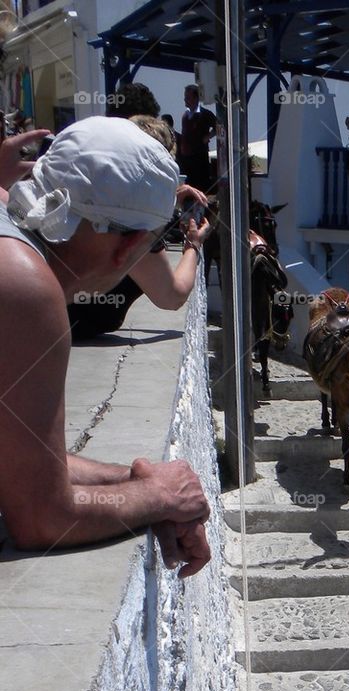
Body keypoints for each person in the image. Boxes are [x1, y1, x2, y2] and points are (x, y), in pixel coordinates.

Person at [0, 116, 210, 576]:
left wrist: (136, 481)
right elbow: (41, 515)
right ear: (129, 245)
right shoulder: (25, 289)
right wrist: (161, 496)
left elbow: (23, 461)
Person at [65, 114, 213, 339]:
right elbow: (172, 297)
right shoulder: (132, 223)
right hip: (73, 326)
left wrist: (169, 200)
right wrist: (193, 244)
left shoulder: (85, 187)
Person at [180, 84, 217, 191]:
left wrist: (208, 136)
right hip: (186, 158)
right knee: (188, 186)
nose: (185, 100)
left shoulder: (205, 114)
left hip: (199, 156)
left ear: (196, 98)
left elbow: (219, 127)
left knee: (200, 185)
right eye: (185, 97)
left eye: (188, 97)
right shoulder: (185, 115)